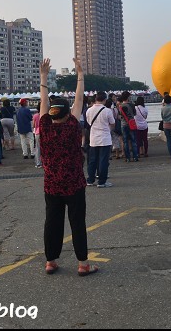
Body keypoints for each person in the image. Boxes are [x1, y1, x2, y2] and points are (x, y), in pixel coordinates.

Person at [38, 57, 99, 276]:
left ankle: (50, 261)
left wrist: (43, 77)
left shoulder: (44, 127)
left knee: (52, 222)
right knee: (77, 223)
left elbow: (44, 102)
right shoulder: (72, 127)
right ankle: (83, 264)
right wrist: (80, 75)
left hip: (52, 184)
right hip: (74, 183)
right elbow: (79, 100)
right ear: (67, 113)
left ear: (52, 114)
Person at [85, 90, 116, 188]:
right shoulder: (107, 111)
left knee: (92, 160)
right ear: (105, 100)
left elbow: (89, 122)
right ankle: (102, 181)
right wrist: (107, 129)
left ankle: (90, 180)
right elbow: (112, 123)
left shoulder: (89, 110)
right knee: (103, 160)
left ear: (95, 99)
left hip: (93, 139)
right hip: (105, 139)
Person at [117, 91, 138, 162]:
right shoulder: (132, 105)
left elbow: (119, 116)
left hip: (123, 124)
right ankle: (135, 156)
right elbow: (135, 114)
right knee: (133, 141)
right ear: (128, 97)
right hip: (131, 124)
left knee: (125, 141)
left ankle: (128, 158)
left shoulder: (120, 106)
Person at [33, 101, 43, 169]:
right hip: (45, 132)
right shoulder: (47, 115)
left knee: (38, 148)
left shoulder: (35, 116)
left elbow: (34, 125)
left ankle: (38, 163)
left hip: (37, 132)